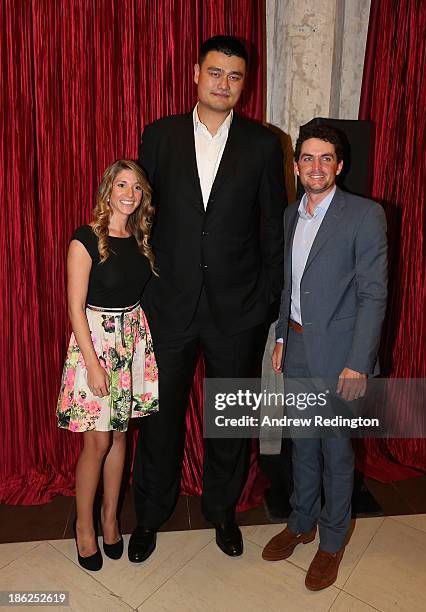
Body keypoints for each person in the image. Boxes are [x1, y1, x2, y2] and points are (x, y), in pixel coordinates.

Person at [129, 35, 287, 562]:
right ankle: (149, 515)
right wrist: (142, 289)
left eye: (235, 76)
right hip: (168, 305)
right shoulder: (159, 136)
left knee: (230, 421)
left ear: (245, 84)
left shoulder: (265, 145)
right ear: (196, 72)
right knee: (159, 421)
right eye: (215, 73)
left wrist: (267, 301)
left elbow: (273, 232)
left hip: (237, 311)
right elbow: (141, 219)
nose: (224, 84)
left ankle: (222, 512)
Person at [261, 125, 387, 590]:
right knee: (303, 447)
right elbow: (288, 286)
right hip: (295, 351)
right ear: (296, 165)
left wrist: (358, 362)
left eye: (325, 158)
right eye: (308, 158)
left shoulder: (364, 215)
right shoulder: (291, 215)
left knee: (336, 453)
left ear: (339, 165)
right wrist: (280, 338)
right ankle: (301, 522)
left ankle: (332, 541)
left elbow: (374, 296)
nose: (316, 167)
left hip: (340, 360)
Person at [56, 160, 159, 571]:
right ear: (108, 190)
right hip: (95, 344)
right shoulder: (85, 239)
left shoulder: (140, 238)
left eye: (136, 186)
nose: (129, 193)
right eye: (121, 184)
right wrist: (94, 364)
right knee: (96, 442)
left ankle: (110, 520)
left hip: (131, 342)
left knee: (119, 438)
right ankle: (84, 529)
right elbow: (74, 308)